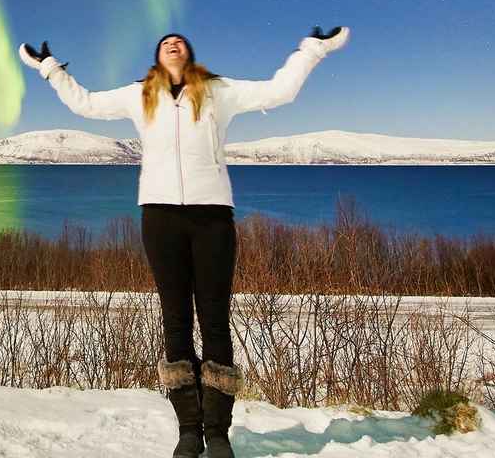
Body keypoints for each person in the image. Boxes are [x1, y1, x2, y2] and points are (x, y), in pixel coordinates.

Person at [19, 26, 350, 458]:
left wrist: (312, 49)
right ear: (157, 57)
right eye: (165, 43)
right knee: (174, 320)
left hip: (212, 217)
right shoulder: (139, 94)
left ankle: (218, 433)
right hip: (160, 218)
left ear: (189, 53)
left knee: (215, 320)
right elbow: (86, 104)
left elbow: (280, 91)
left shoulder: (218, 91)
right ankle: (189, 431)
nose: (172, 43)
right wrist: (49, 67)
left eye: (179, 41)